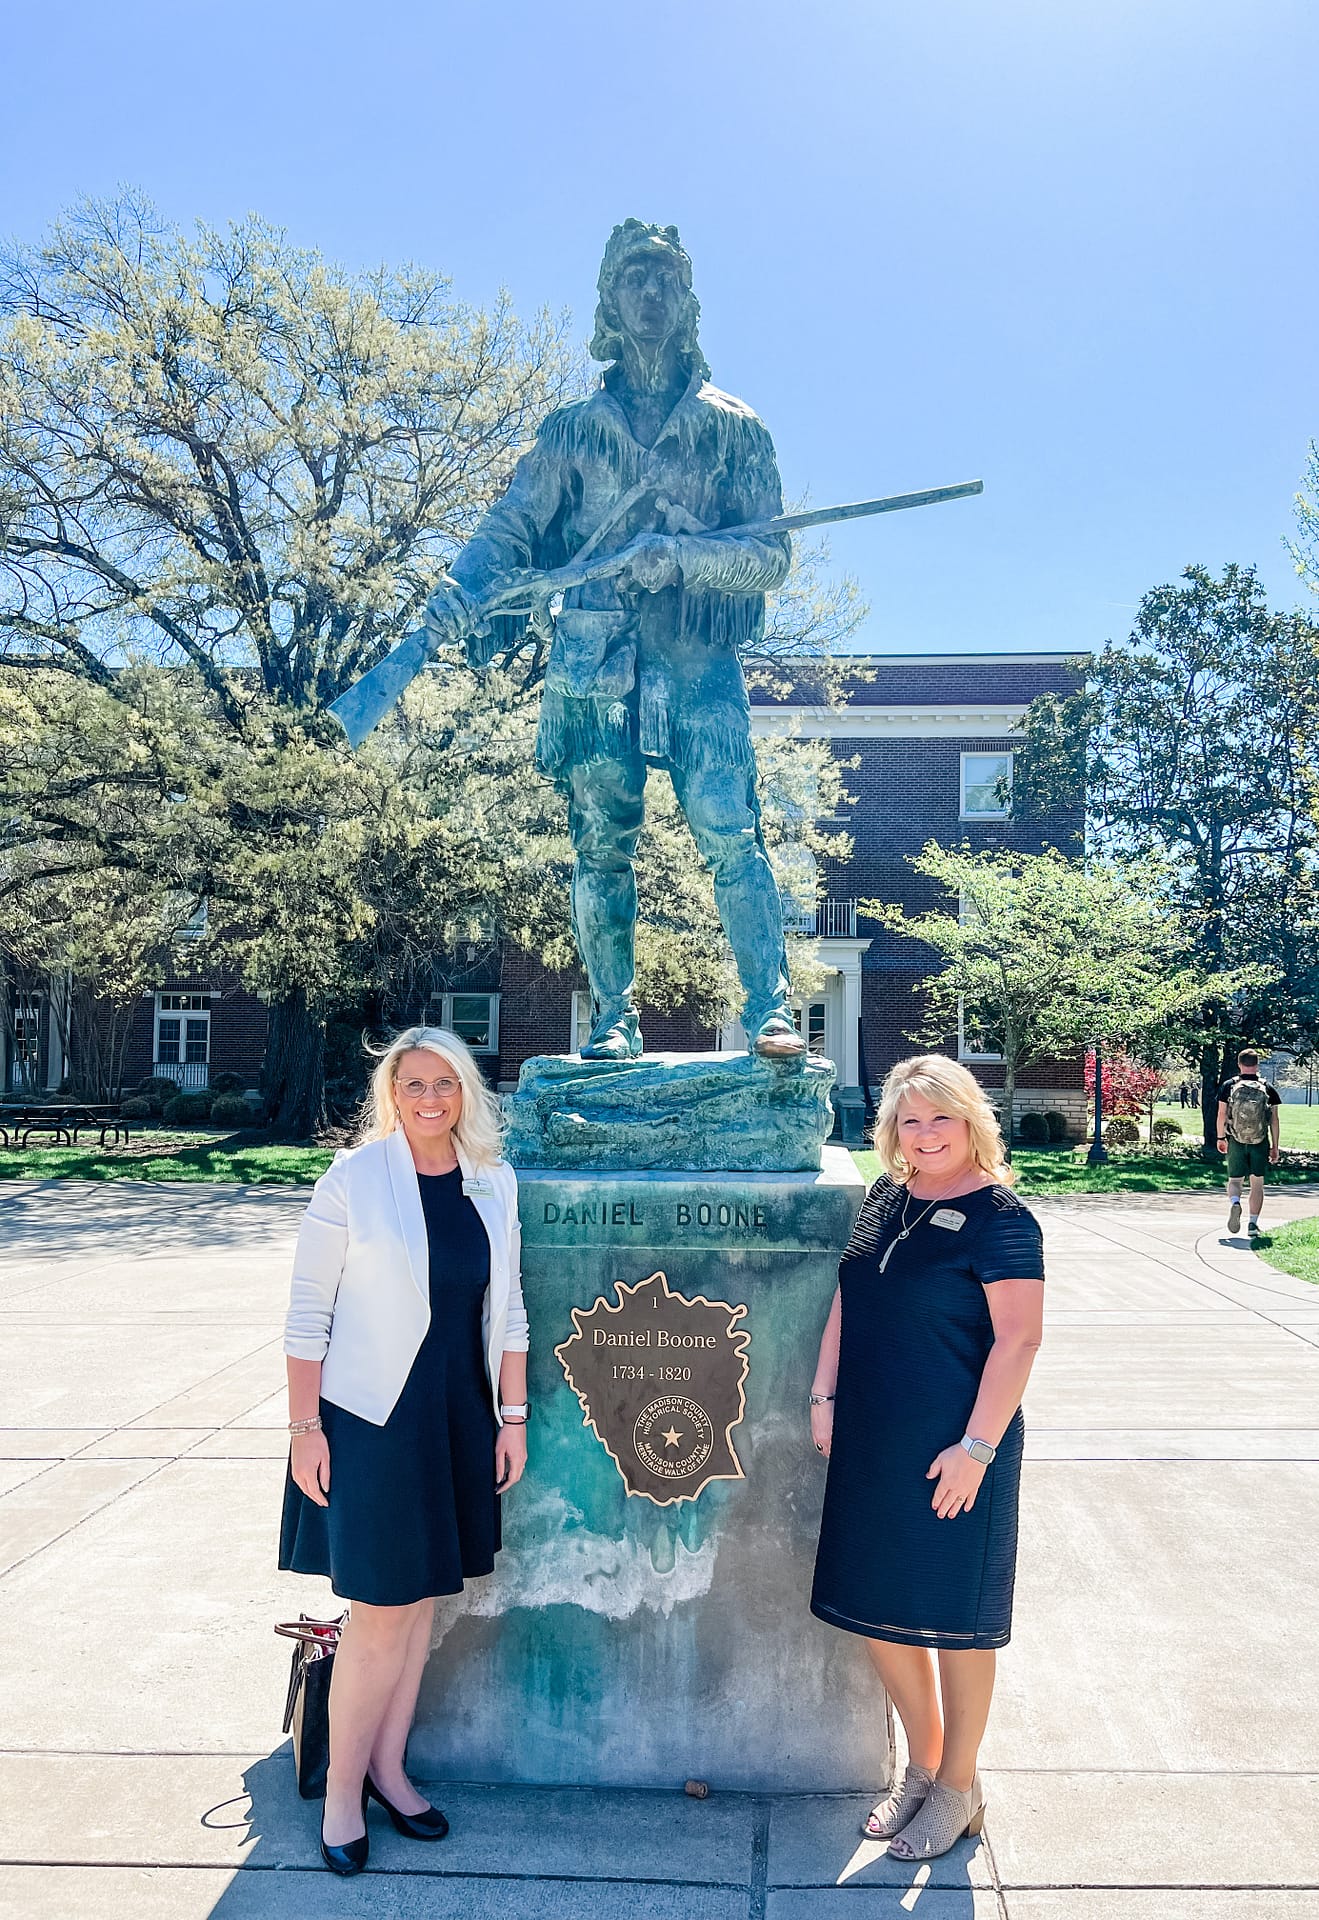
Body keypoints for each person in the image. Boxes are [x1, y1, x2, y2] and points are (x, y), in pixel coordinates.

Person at [422, 219, 805, 1064]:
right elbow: (512, 527)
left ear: (688, 298)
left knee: (728, 827)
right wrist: (462, 587)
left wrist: (680, 558)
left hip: (697, 660)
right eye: (633, 277)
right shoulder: (569, 432)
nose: (649, 293)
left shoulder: (737, 429)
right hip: (593, 663)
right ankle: (612, 1018)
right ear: (609, 298)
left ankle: (772, 1012)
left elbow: (769, 554)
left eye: (664, 277)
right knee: (601, 844)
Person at [279, 1026, 529, 1876]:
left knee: (422, 1607)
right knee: (380, 1613)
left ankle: (389, 1768)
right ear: (392, 1093)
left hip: (460, 1415)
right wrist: (304, 1429)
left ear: (466, 1093)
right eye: (413, 1083)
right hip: (369, 1419)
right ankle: (342, 1794)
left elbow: (512, 1310)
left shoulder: (492, 1182)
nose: (429, 1099)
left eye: (445, 1084)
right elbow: (306, 1315)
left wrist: (514, 1417)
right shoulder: (352, 1180)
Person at [808, 1055, 1045, 1861]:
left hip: (956, 1446)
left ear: (970, 1119)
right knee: (879, 1611)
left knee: (954, 1626)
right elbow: (850, 1295)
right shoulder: (885, 1198)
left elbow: (1018, 1341)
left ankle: (958, 1787)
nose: (924, 1133)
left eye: (939, 1117)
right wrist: (823, 1393)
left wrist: (975, 1449)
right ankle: (925, 1764)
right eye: (909, 1120)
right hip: (872, 1439)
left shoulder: (1002, 1218)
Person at [1215, 1047, 1281, 1237]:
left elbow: (1221, 1114)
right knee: (1257, 1183)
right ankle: (1252, 1225)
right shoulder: (1267, 1087)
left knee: (1235, 1180)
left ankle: (1235, 1202)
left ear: (1239, 1064)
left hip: (1235, 1139)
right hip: (1259, 1142)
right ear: (1257, 1065)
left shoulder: (1229, 1085)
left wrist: (1221, 1137)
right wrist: (1275, 1146)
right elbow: (1274, 1120)